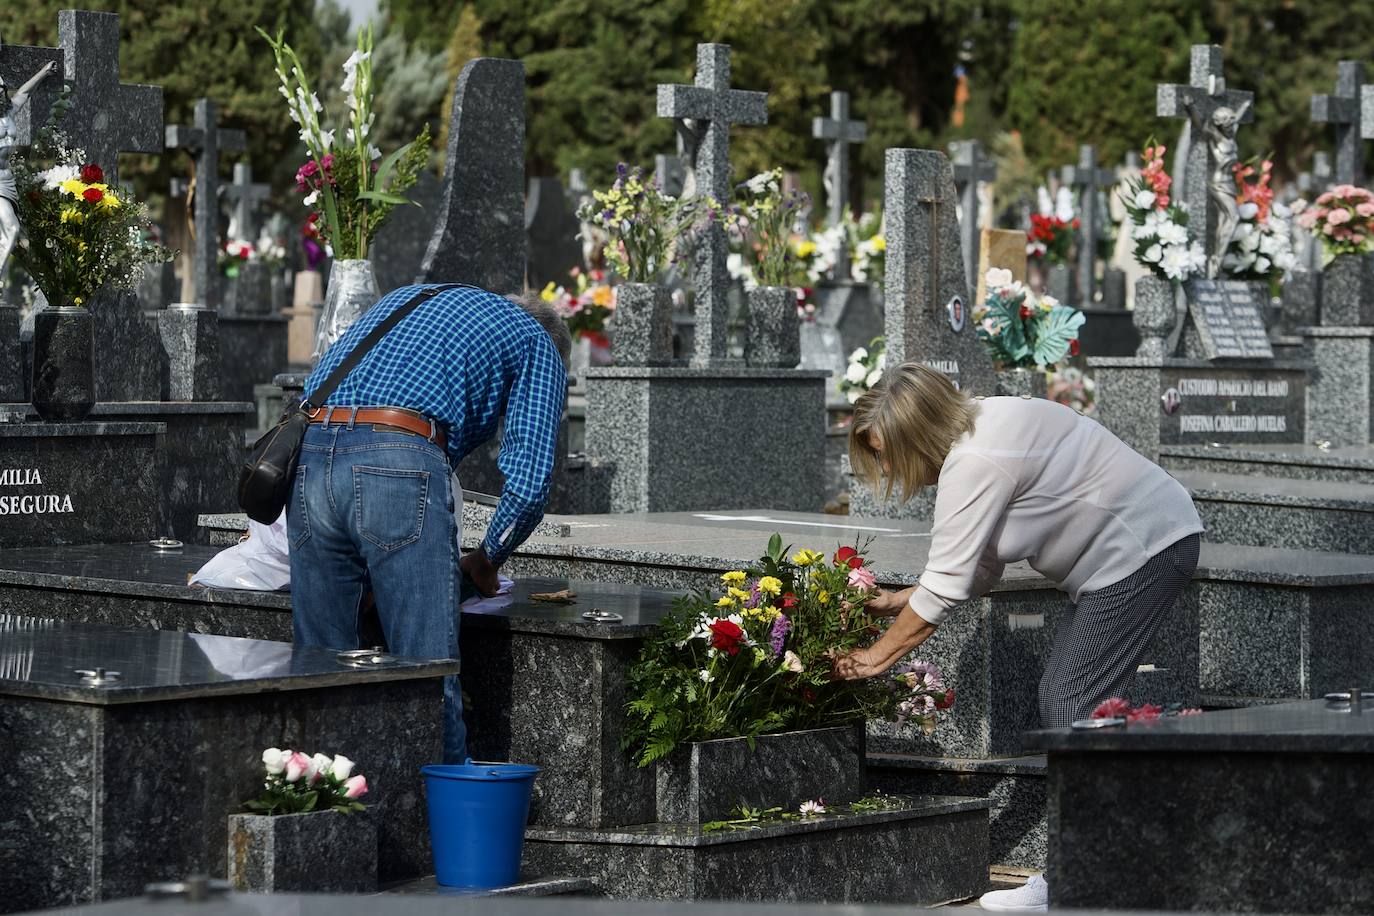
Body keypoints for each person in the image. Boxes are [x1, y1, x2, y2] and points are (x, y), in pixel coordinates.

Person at [833, 362, 1202, 913]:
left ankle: (1074, 881)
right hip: (1145, 546)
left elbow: (948, 588)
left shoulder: (974, 461)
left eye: (886, 452)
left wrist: (873, 658)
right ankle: (1131, 852)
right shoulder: (986, 427)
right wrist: (894, 600)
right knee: (1081, 703)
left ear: (917, 434)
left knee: (1070, 698)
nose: (885, 466)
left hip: (1142, 549)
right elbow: (977, 569)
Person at [288, 284, 570, 764]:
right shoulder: (537, 342)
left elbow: (319, 382)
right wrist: (488, 558)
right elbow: (530, 482)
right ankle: (436, 828)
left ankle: (324, 818)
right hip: (397, 464)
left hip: (310, 457)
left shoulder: (410, 298)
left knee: (321, 671)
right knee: (428, 671)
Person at [0, 56, 59, 274]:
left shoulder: (8, 112)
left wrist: (44, 72)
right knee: (11, 228)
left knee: (10, 232)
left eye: (1, 87)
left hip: (7, 181)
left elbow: (24, 93)